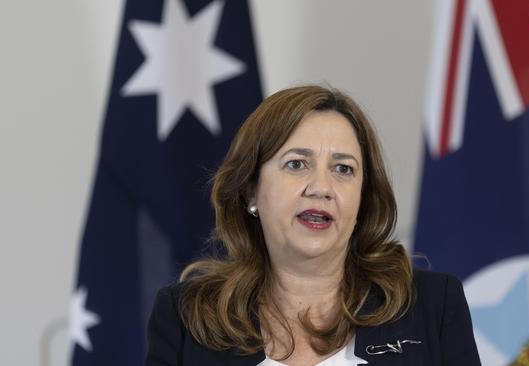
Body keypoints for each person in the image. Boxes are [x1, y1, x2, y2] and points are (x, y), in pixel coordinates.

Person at [145, 85, 481, 366]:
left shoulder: (432, 307)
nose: (321, 187)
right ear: (251, 190)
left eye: (343, 169)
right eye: (296, 164)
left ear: (363, 197)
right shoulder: (186, 318)